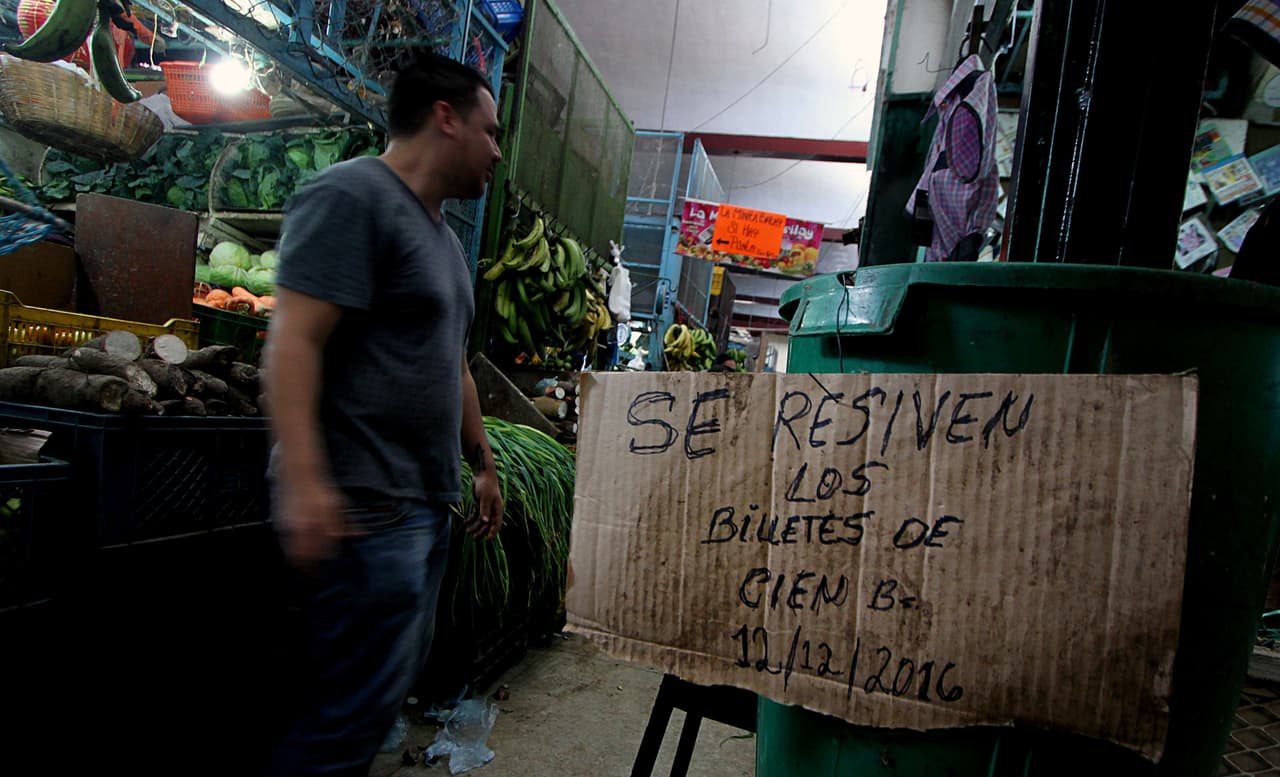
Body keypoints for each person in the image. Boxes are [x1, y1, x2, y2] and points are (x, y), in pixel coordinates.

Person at [263, 52, 504, 777]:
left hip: (424, 508)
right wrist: (305, 482)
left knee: (371, 705)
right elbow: (294, 341)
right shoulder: (351, 197)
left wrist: (483, 463)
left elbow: (453, 361)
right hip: (363, 507)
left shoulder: (446, 243)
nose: (497, 150)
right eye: (490, 131)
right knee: (341, 717)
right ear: (445, 118)